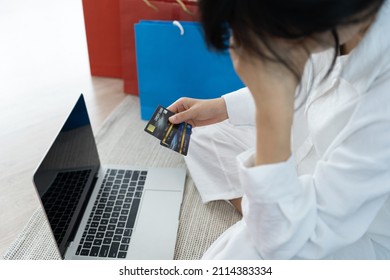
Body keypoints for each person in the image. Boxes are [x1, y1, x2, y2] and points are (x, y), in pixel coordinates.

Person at [167, 0, 390, 259]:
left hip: (361, 230)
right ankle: (269, 206)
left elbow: (283, 244)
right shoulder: (332, 25)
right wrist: (221, 107)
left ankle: (270, 209)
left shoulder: (381, 103)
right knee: (201, 134)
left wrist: (270, 111)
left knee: (246, 252)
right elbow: (297, 84)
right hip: (308, 156)